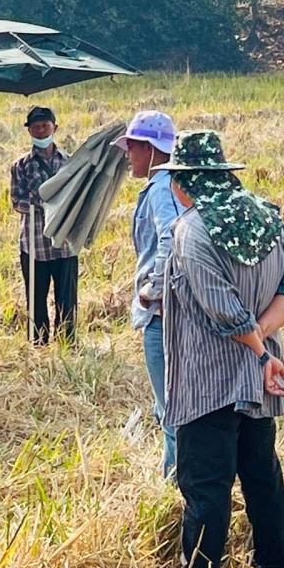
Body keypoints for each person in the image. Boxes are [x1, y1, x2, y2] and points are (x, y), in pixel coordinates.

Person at [161, 130, 284, 568]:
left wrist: (257, 348)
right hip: (261, 379)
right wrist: (264, 343)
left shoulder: (192, 229)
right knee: (262, 476)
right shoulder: (268, 216)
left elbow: (222, 307)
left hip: (207, 381)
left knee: (205, 485)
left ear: (182, 182)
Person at [112, 110, 182, 477]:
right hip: (172, 309)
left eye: (132, 147)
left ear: (150, 149)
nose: (128, 156)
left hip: (162, 313)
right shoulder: (173, 185)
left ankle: (176, 480)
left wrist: (154, 289)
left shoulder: (161, 189)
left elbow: (171, 237)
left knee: (170, 406)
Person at [10, 105, 79, 344]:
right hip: (34, 244)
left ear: (54, 128)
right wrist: (47, 205)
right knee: (35, 299)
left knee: (67, 299)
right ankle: (39, 343)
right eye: (36, 127)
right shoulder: (21, 165)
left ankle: (68, 343)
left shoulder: (70, 162)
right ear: (29, 131)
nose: (41, 131)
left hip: (65, 243)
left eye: (45, 126)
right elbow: (17, 201)